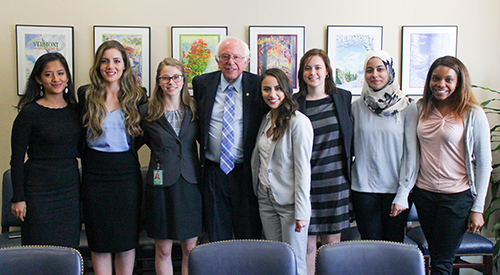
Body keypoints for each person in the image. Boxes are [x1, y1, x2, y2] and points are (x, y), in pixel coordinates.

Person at [413, 56, 492, 275]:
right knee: (436, 255)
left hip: (457, 197)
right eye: (436, 78)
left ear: (459, 82)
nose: (441, 84)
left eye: (448, 79)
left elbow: (484, 164)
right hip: (424, 194)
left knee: (442, 261)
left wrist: (478, 208)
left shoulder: (473, 113)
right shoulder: (420, 108)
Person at [78, 40, 147, 275]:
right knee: (99, 239)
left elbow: (144, 134)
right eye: (105, 61)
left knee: (126, 238)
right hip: (94, 173)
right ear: (98, 66)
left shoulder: (138, 96)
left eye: (117, 61)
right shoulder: (85, 94)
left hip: (126, 173)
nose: (111, 66)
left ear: (125, 66)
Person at [192, 36, 266, 241]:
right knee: (216, 233)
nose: (230, 62)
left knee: (248, 232)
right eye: (225, 57)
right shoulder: (202, 84)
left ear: (246, 60)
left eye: (236, 57)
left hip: (246, 173)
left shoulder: (259, 84)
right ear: (217, 61)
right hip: (214, 171)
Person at [10, 52, 81, 247]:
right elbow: (16, 159)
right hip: (38, 192)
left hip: (69, 191)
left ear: (67, 76)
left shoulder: (76, 110)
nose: (56, 79)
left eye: (60, 73)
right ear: (38, 79)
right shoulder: (29, 113)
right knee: (39, 251)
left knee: (68, 250)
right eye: (49, 74)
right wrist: (18, 198)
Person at [139, 58, 202, 275]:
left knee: (189, 248)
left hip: (190, 183)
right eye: (165, 78)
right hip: (160, 186)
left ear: (183, 80)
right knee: (164, 249)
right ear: (158, 81)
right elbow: (136, 143)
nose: (171, 82)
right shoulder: (146, 112)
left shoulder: (195, 109)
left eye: (176, 77)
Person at [294, 48, 353, 275]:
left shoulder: (343, 98)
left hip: (336, 183)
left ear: (327, 71)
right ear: (302, 73)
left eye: (318, 67)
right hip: (307, 184)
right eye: (308, 68)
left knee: (331, 245)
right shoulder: (295, 102)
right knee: (307, 245)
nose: (313, 72)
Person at [351, 50, 418, 242]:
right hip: (363, 188)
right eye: (369, 70)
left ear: (390, 71)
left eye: (380, 69)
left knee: (393, 246)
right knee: (370, 245)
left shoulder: (407, 106)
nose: (375, 75)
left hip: (395, 190)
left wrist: (404, 192)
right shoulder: (356, 107)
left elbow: (412, 154)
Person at [251, 68, 313, 275]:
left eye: (277, 88)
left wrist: (302, 212)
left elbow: (303, 170)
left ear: (286, 90)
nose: (272, 94)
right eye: (266, 89)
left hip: (290, 204)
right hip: (265, 198)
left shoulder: (299, 122)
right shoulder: (266, 119)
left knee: (294, 262)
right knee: (275, 259)